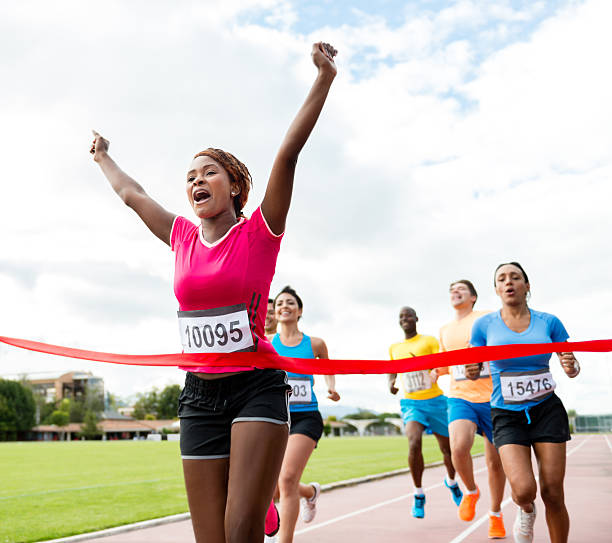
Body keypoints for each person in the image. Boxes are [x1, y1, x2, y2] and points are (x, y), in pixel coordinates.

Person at [90, 42, 338, 543]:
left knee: (241, 529)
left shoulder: (259, 232)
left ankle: (258, 506)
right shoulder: (181, 235)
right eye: (190, 177)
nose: (196, 180)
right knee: (211, 539)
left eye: (209, 171)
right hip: (198, 396)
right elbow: (132, 195)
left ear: (234, 187)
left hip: (255, 386)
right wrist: (103, 156)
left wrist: (323, 78)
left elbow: (287, 153)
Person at [470, 262, 580, 543]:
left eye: (515, 277)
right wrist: (471, 370)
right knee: (522, 491)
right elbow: (472, 368)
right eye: (502, 279)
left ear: (526, 286)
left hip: (546, 409)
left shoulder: (549, 322)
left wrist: (571, 366)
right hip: (507, 414)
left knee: (553, 492)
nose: (509, 282)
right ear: (496, 289)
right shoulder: (484, 325)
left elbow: (571, 363)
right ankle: (526, 511)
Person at [434, 280, 506, 538]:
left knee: (495, 463)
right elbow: (444, 364)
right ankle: (471, 491)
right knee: (459, 447)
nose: (455, 291)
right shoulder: (444, 329)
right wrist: (434, 372)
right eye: (451, 288)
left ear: (473, 297)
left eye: (461, 288)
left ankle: (496, 514)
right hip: (460, 396)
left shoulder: (486, 317)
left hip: (493, 397)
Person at [271, 285, 340, 543]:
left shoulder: (315, 343)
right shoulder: (267, 344)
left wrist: (331, 388)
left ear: (299, 310)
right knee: (275, 487)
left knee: (287, 478)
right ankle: (310, 492)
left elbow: (328, 368)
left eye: (290, 302)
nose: (284, 306)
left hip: (306, 417)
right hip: (276, 419)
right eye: (279, 303)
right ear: (275, 312)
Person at [388, 306, 461, 519]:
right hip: (411, 404)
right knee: (413, 442)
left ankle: (452, 481)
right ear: (399, 321)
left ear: (416, 318)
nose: (405, 319)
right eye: (401, 316)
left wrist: (434, 371)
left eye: (408, 315)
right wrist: (391, 384)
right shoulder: (394, 348)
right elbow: (391, 371)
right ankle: (419, 494)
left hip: (436, 402)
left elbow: (439, 364)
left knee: (448, 449)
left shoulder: (429, 341)